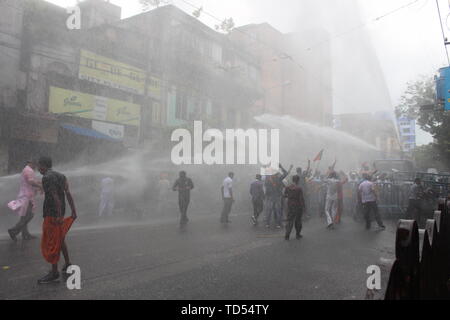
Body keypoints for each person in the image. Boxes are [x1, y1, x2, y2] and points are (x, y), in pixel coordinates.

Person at [37, 156, 77, 284]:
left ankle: (54, 272)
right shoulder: (61, 176)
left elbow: (54, 196)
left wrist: (58, 215)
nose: (38, 169)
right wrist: (73, 210)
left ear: (43, 165)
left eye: (39, 166)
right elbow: (68, 193)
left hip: (52, 214)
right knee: (60, 238)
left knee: (51, 242)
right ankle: (68, 263)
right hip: (60, 212)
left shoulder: (46, 177)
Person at [8, 159, 42, 241]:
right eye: (35, 164)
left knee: (24, 216)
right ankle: (13, 231)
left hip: (25, 196)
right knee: (29, 215)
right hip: (27, 197)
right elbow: (31, 182)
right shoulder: (28, 170)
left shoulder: (26, 170)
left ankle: (25, 234)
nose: (36, 167)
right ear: (31, 163)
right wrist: (40, 186)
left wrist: (39, 183)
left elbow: (30, 181)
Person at [264, 164, 292, 229]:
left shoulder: (268, 180)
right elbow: (285, 173)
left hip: (271, 196)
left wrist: (267, 195)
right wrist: (281, 167)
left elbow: (266, 188)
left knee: (269, 210)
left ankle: (267, 224)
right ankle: (278, 224)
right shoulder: (278, 179)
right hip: (277, 196)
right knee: (278, 210)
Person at [284, 175, 306, 240]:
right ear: (298, 180)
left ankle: (287, 235)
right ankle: (298, 234)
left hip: (290, 205)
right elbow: (301, 198)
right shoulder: (299, 188)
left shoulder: (287, 187)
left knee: (289, 220)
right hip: (298, 206)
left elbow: (285, 195)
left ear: (292, 180)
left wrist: (290, 196)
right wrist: (304, 207)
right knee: (298, 221)